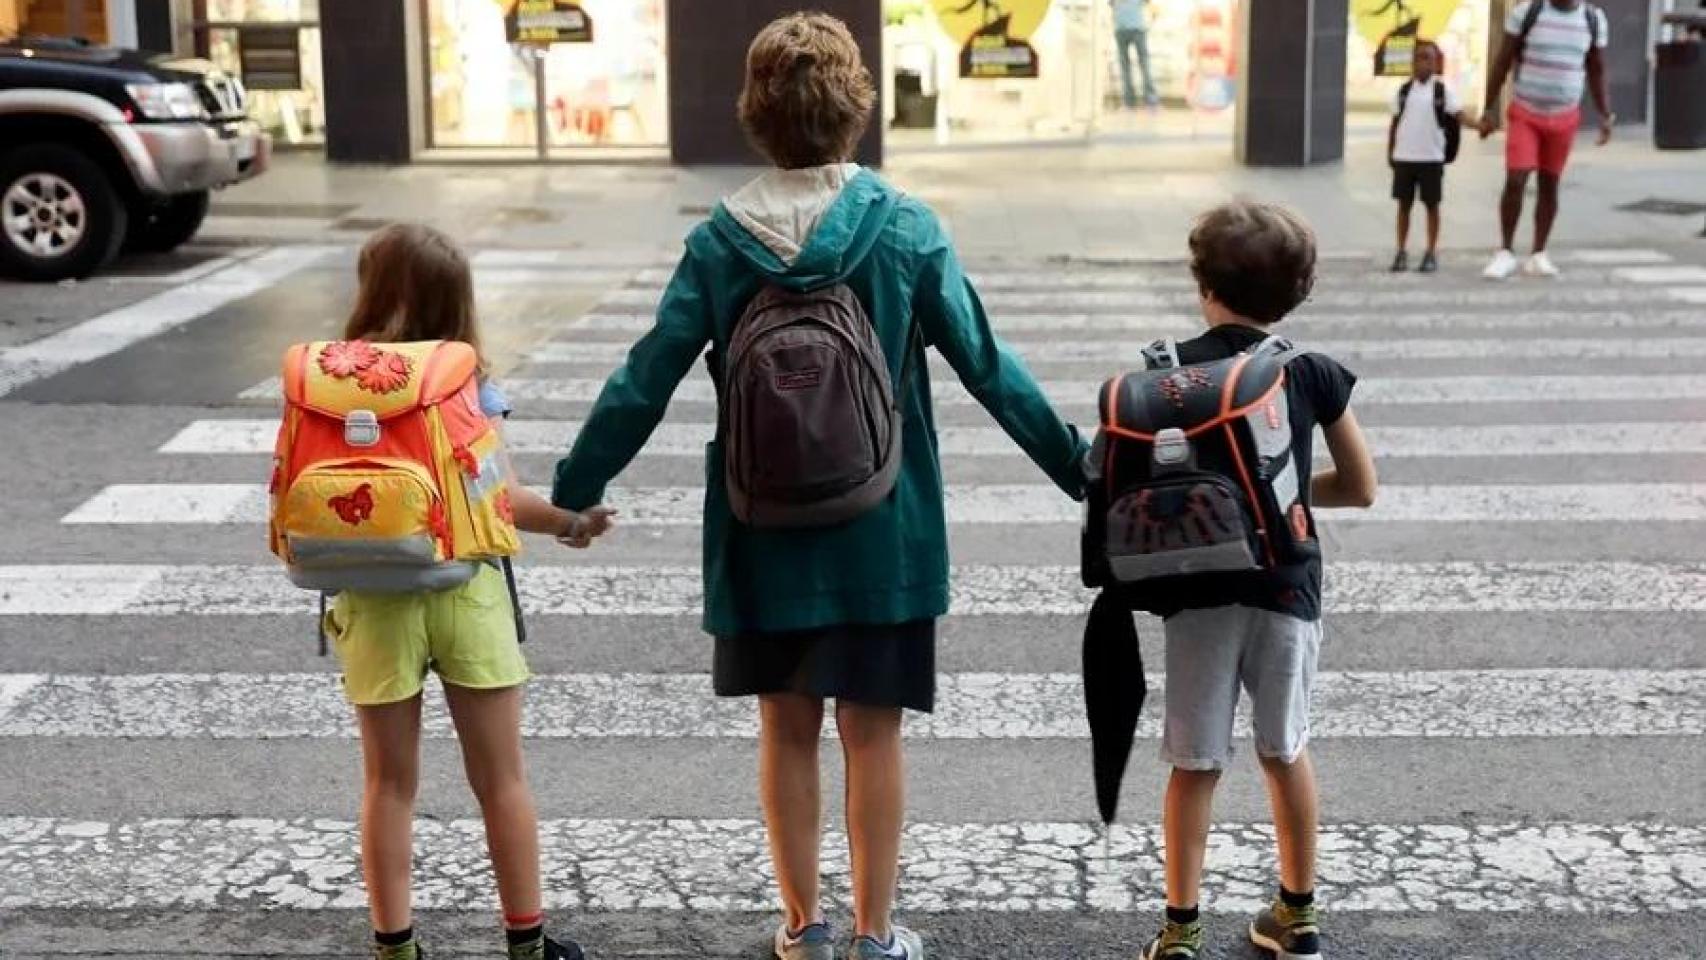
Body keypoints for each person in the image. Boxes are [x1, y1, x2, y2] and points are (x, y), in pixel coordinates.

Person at [549, 14, 1087, 960]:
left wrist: (575, 490)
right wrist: (1084, 469)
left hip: (761, 531)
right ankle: (875, 936)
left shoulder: (719, 244)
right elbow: (990, 368)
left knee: (785, 729)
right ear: (856, 107)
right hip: (886, 529)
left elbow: (649, 372)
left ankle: (804, 928)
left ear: (756, 114)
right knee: (872, 737)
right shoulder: (907, 227)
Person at [329, 224, 615, 960]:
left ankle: (395, 950)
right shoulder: (464, 379)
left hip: (371, 595)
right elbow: (498, 498)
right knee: (501, 781)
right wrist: (570, 522)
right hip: (465, 590)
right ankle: (527, 946)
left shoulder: (329, 380)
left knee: (388, 784)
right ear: (458, 303)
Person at [1135, 201, 1378, 960]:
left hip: (1200, 589)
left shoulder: (1170, 373)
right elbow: (1362, 486)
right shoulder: (1310, 373)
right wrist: (1292, 492)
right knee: (1285, 749)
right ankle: (1297, 915)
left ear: (1202, 283)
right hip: (1286, 589)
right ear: (1298, 292)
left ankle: (1180, 930)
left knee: (1195, 762)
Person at [1478, 0, 1613, 280]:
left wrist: (1604, 113)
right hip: (1526, 113)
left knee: (1549, 184)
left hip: (1564, 118)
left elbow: (1596, 69)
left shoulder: (1593, 19)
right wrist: (1489, 108)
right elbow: (1502, 60)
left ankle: (1538, 254)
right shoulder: (1527, 13)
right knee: (1516, 179)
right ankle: (1505, 252)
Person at [1388, 41, 1464, 274]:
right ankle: (1401, 251)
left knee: (1432, 206)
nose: (1425, 62)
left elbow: (1459, 115)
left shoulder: (1442, 91)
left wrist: (1482, 125)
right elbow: (1394, 123)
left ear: (1435, 62)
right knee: (1404, 206)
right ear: (1412, 62)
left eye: (1429, 58)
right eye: (1420, 57)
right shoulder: (1403, 91)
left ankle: (1431, 252)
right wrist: (1390, 152)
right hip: (1405, 158)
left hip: (1431, 158)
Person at [1112, 0, 1161, 108]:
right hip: (1125, 30)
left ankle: (1145, 101)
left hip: (1133, 30)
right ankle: (1135, 101)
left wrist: (1150, 23)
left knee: (1139, 65)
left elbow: (1154, 9)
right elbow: (1111, 8)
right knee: (1136, 65)